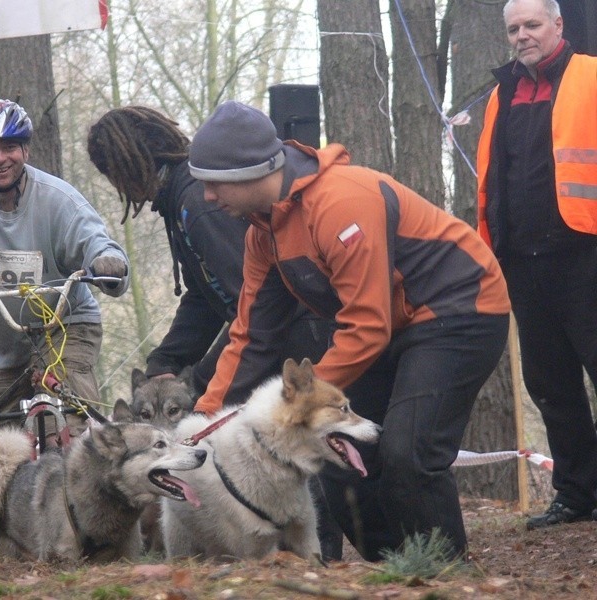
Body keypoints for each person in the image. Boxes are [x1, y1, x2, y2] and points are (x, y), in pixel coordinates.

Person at [188, 100, 511, 561]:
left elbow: (367, 325)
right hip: (390, 328)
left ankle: (445, 576)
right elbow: (251, 337)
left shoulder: (341, 201)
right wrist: (202, 423)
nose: (208, 198)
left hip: (460, 309)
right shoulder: (264, 234)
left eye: (214, 185)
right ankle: (395, 568)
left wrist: (304, 397)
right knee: (338, 453)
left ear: (251, 171)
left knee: (407, 451)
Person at [86, 106, 333, 398]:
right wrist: (168, 359)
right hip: (273, 340)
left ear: (125, 168)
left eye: (111, 174)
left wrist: (202, 380)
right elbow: (205, 296)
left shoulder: (199, 205)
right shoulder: (180, 200)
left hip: (300, 340)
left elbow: (259, 305)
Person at [0, 99, 130, 439]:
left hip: (68, 325)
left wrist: (106, 261)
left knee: (72, 427)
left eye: (9, 147)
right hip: (9, 342)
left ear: (25, 150)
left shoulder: (58, 198)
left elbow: (92, 237)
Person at [476, 0, 597, 529]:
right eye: (513, 28)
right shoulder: (502, 94)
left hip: (586, 255)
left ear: (558, 26)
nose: (522, 35)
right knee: (551, 385)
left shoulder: (591, 77)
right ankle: (577, 495)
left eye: (532, 25)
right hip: (522, 262)